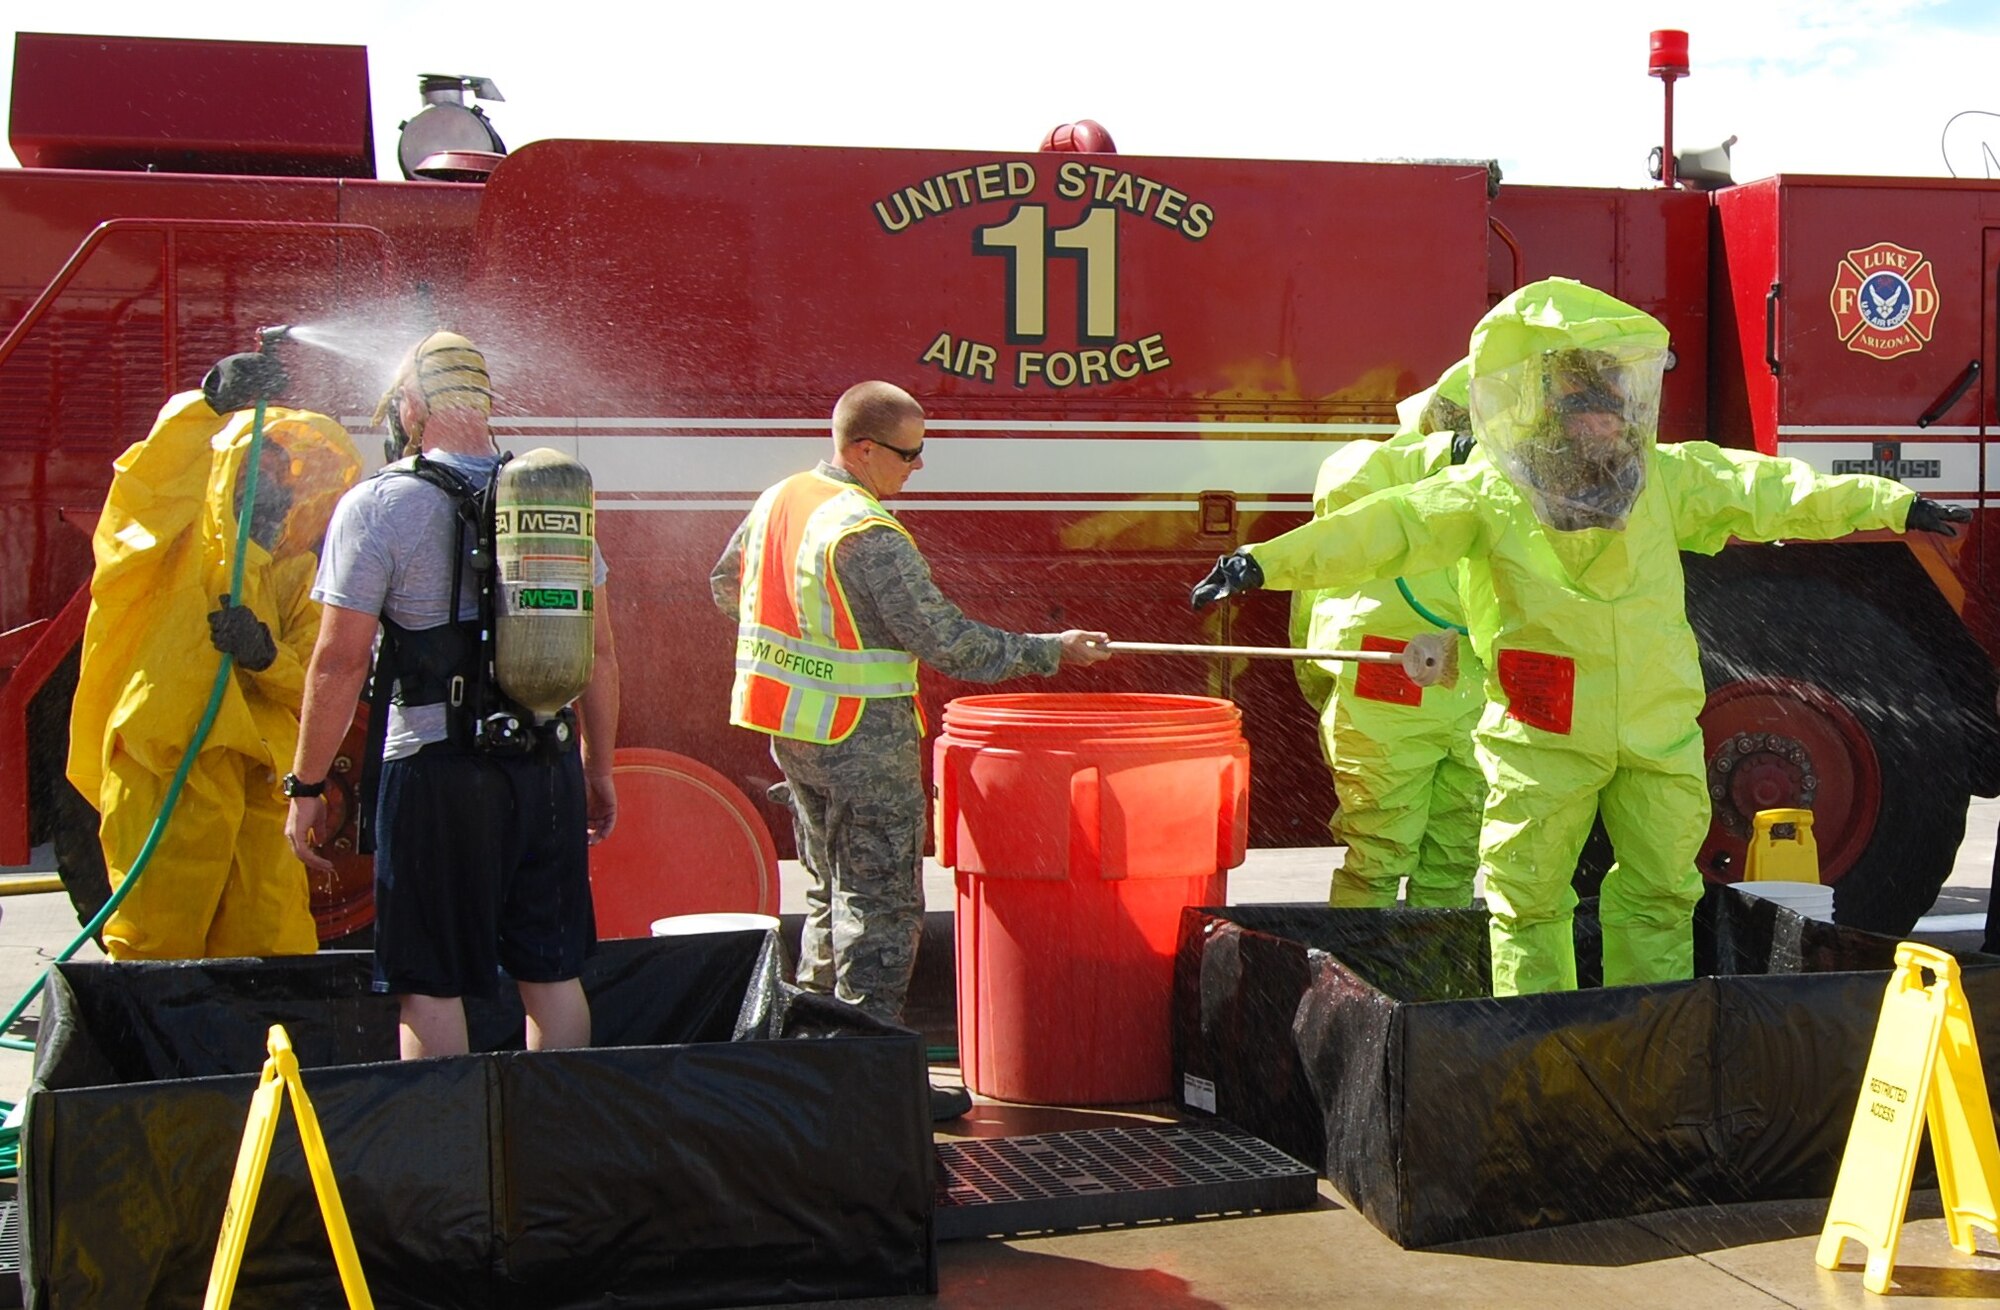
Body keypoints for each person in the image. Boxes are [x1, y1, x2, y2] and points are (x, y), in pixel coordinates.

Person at [1193, 278, 1969, 996]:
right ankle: (1535, 1042)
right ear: (1551, 417)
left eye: (1609, 408)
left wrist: (1891, 505)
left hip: (1655, 733)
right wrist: (1263, 563)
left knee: (1664, 890)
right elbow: (1384, 529)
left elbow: (1768, 490)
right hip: (1544, 737)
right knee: (1527, 900)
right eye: (1584, 410)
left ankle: (1647, 1032)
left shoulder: (1664, 480)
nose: (1602, 425)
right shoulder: (1492, 493)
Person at [711, 380, 1111, 1118]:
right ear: (863, 449)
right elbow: (949, 641)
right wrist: (1054, 651)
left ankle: (816, 1059)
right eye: (908, 453)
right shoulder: (866, 532)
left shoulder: (782, 499)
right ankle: (872, 1085)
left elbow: (724, 585)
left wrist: (808, 637)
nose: (917, 467)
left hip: (793, 729)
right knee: (884, 905)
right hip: (861, 735)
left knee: (829, 892)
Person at [284, 331, 621, 1058]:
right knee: (552, 973)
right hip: (546, 764)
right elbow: (598, 650)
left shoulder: (379, 504)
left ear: (410, 405)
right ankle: (557, 1141)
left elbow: (338, 663)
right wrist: (596, 770)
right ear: (485, 402)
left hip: (436, 768)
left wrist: (307, 783)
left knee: (430, 982)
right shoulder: (550, 497)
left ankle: (444, 1159)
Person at [67, 361, 360, 960]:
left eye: (284, 481)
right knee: (160, 936)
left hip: (262, 778)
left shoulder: (297, 573)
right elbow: (146, 483)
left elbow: (321, 675)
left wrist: (264, 655)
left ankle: (269, 1051)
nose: (274, 496)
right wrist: (205, 405)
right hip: (169, 763)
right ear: (224, 477)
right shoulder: (171, 548)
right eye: (258, 479)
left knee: (271, 938)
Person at [1291, 360, 1485, 908]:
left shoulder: (1486, 498)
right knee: (1378, 854)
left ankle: (1430, 980)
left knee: (1454, 858)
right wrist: (1446, 455)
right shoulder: (1371, 468)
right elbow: (1351, 481)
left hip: (1467, 694)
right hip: (1387, 693)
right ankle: (1358, 981)